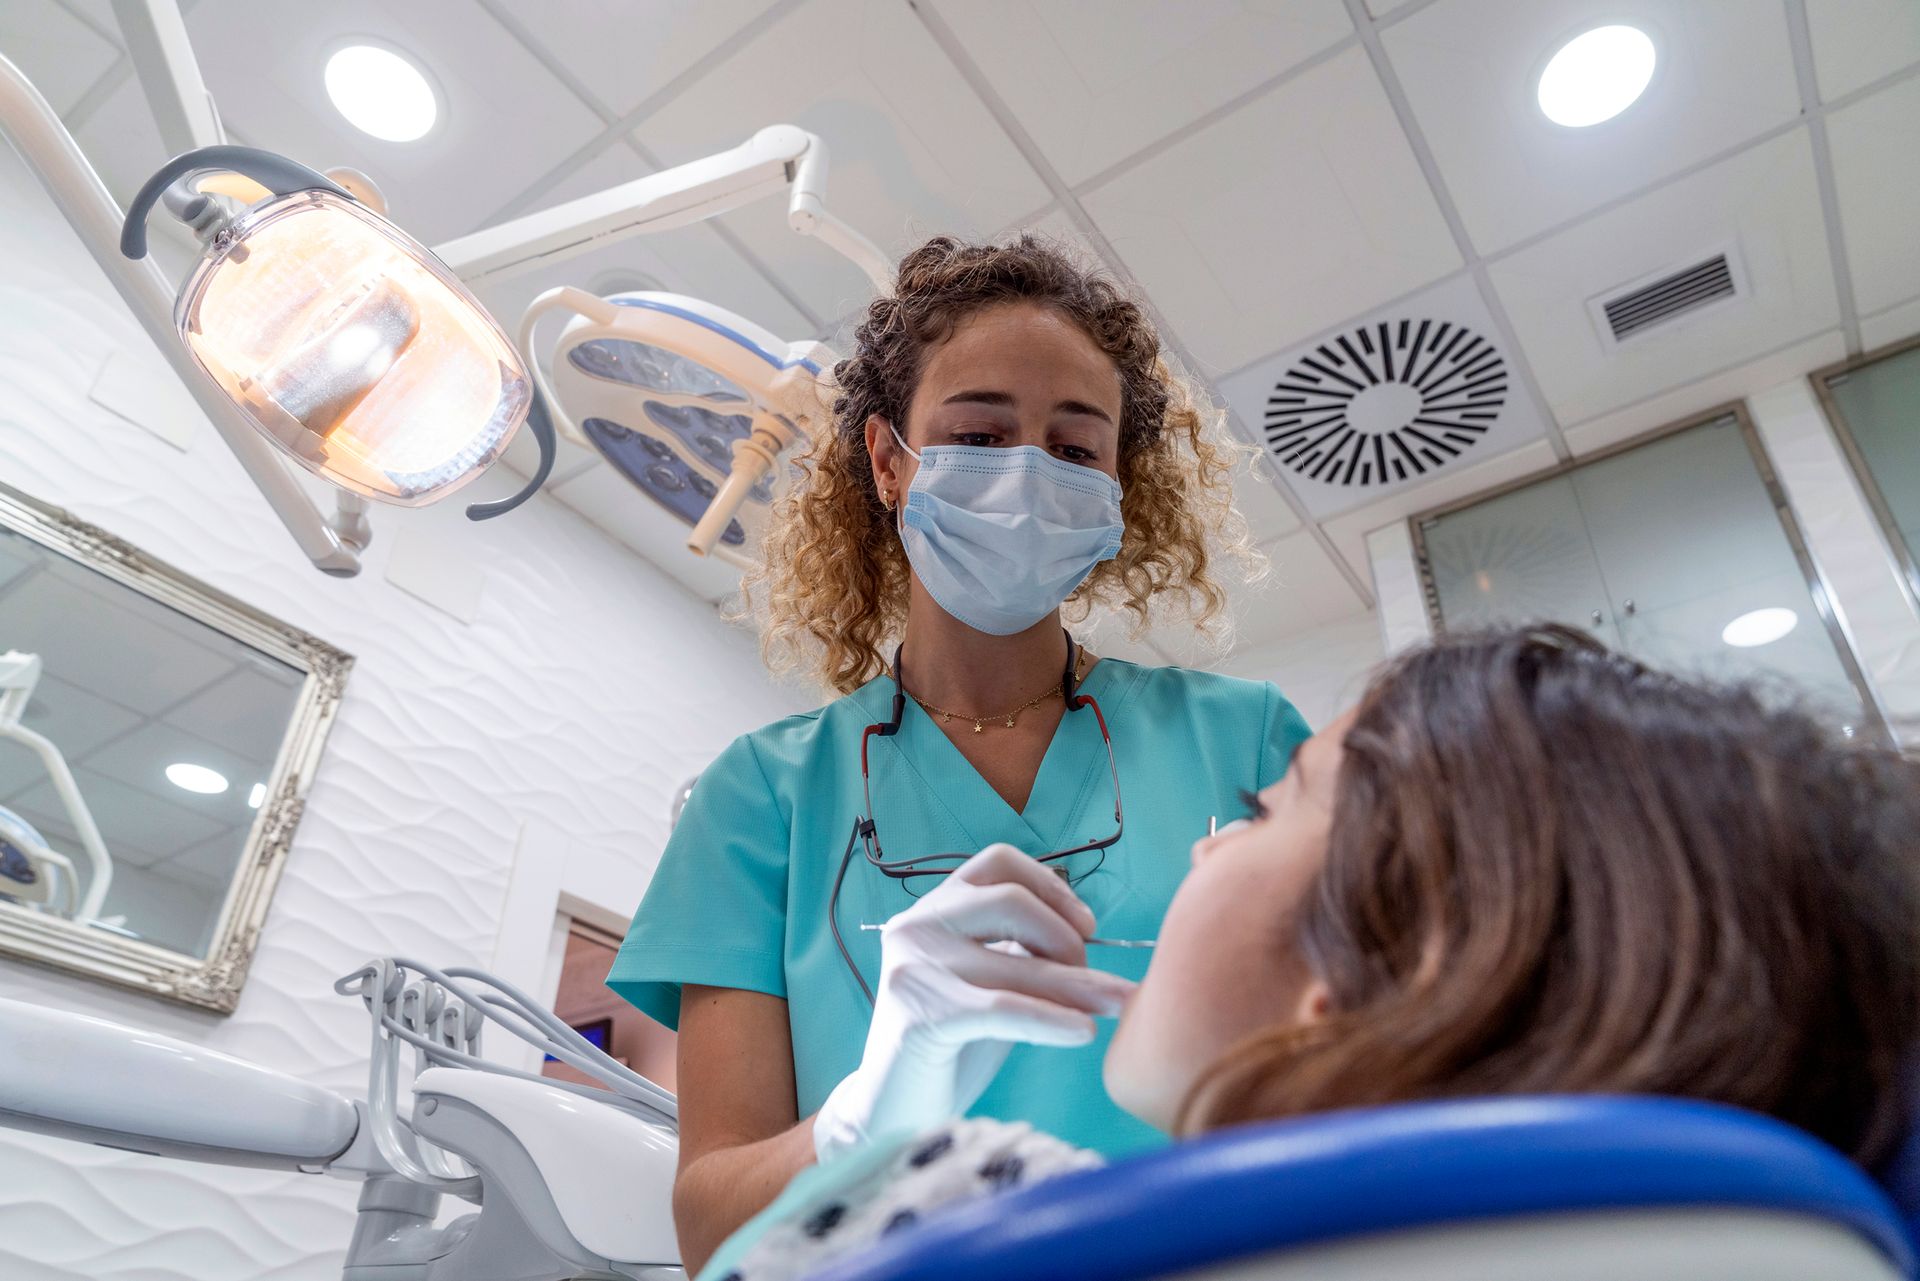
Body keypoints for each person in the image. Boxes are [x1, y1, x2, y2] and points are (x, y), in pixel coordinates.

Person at [694, 625, 1920, 1281]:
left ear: (1397, 974)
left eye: (1269, 811)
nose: (1199, 853)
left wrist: (879, 1147)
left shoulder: (962, 1197)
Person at [606, 235, 1311, 1272]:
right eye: (980, 434)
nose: (1028, 474)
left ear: (1119, 490)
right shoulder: (762, 794)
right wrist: (859, 1125)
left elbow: (1370, 1063)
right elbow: (711, 1229)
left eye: (1075, 450)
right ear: (891, 463)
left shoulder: (1243, 740)